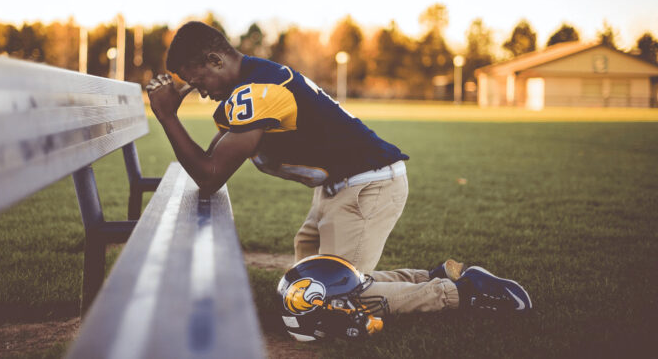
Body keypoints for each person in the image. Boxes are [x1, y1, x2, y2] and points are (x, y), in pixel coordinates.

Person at [146, 21, 531, 323]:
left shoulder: (256, 90)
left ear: (216, 59)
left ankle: (463, 294)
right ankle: (437, 276)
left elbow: (210, 175)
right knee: (307, 287)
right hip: (340, 188)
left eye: (199, 82)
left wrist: (166, 116)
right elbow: (209, 164)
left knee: (333, 297)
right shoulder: (250, 83)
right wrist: (171, 117)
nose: (200, 91)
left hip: (367, 186)